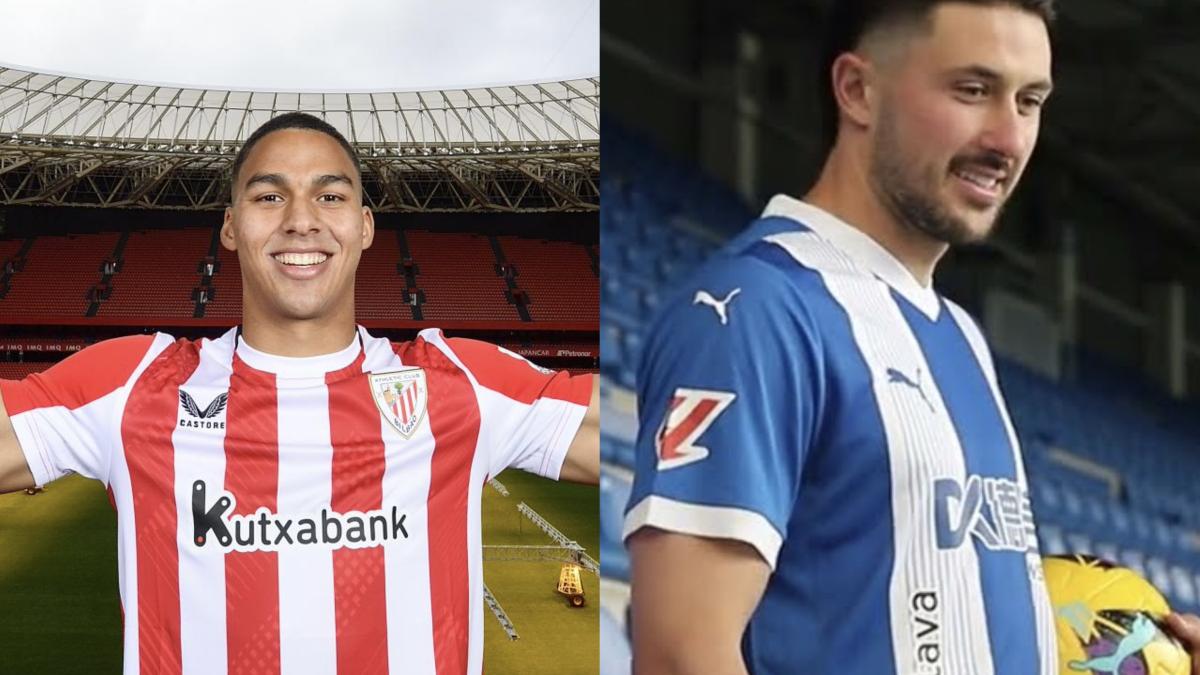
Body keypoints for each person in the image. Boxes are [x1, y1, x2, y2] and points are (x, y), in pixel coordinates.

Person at [624, 1, 1200, 672]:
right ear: (857, 91)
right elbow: (677, 654)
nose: (1008, 139)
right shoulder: (758, 309)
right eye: (973, 90)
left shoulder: (958, 333)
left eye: (1030, 101)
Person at [0, 112, 599, 675]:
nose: (301, 219)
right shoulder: (132, 386)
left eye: (330, 196)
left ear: (364, 227)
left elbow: (659, 432)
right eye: (269, 196)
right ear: (231, 226)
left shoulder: (460, 385)